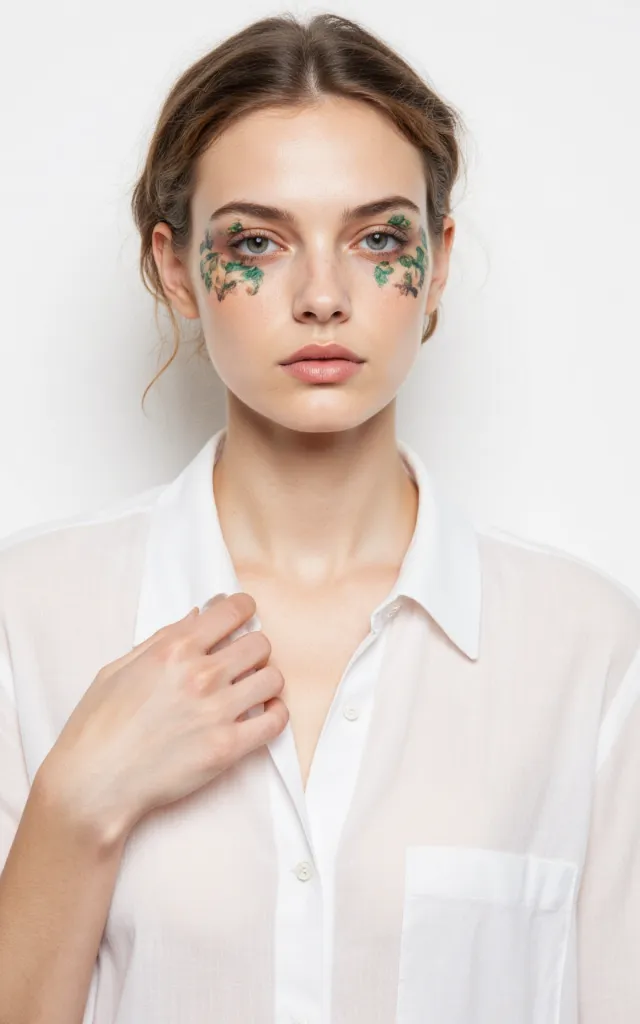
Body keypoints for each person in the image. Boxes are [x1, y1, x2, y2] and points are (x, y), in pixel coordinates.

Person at [0, 10, 638, 1024]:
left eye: (378, 237)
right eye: (258, 241)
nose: (323, 296)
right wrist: (77, 806)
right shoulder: (27, 620)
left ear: (436, 261)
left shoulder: (587, 648)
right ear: (176, 267)